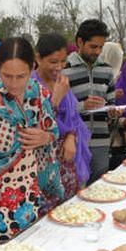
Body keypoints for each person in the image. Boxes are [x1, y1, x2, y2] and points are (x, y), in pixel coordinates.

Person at [0, 37, 63, 251]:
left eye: (21, 76)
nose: (13, 83)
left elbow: (53, 130)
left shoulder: (38, 93)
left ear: (32, 68)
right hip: (1, 198)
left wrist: (45, 137)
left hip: (36, 192)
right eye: (7, 75)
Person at [33, 33, 91, 212]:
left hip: (67, 161)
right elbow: (35, 124)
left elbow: (73, 116)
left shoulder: (62, 82)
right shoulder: (31, 86)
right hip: (43, 164)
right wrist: (55, 99)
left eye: (63, 61)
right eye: (52, 62)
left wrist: (71, 135)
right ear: (38, 58)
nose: (59, 67)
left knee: (68, 213)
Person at [62, 19, 123, 183]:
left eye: (101, 47)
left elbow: (111, 103)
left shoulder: (107, 70)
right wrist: (82, 106)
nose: (97, 52)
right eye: (93, 46)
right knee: (75, 187)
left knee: (99, 185)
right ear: (80, 42)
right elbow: (57, 109)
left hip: (101, 140)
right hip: (74, 141)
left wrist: (113, 112)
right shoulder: (64, 70)